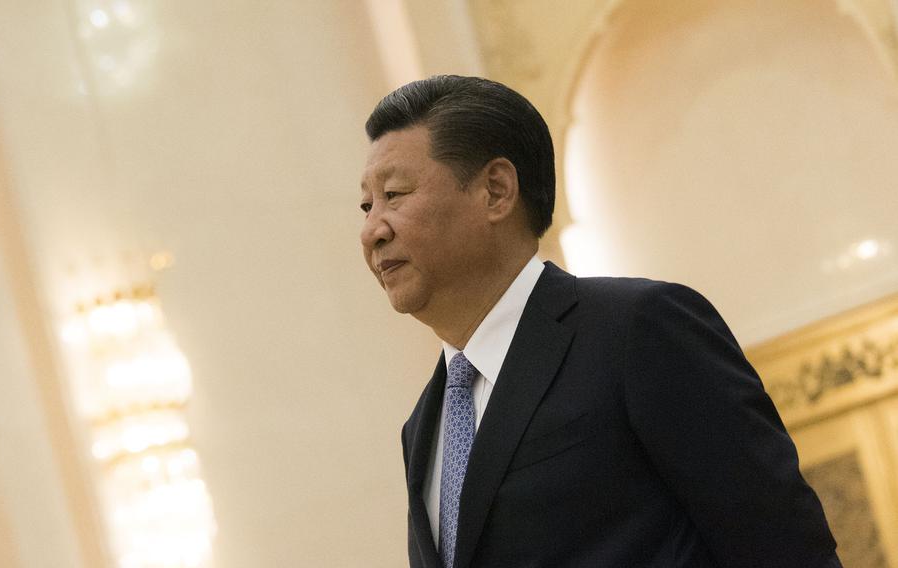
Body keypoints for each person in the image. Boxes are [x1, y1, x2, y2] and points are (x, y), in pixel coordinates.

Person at [359, 75, 840, 568]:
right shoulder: (423, 425)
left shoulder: (638, 330)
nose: (372, 228)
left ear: (496, 191)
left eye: (394, 194)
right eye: (366, 205)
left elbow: (783, 546)